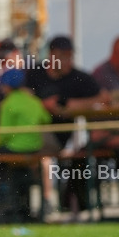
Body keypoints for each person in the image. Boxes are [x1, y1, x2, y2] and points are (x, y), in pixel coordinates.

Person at [25, 35, 101, 217]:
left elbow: (102, 98)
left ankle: (47, 203)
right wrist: (45, 106)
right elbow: (23, 98)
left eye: (70, 55)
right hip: (30, 131)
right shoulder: (35, 73)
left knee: (31, 149)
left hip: (57, 137)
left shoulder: (79, 78)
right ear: (51, 55)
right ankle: (31, 204)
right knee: (18, 150)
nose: (67, 60)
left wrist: (69, 106)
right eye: (63, 55)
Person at [0, 69, 53, 221]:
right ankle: (17, 202)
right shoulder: (33, 100)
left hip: (15, 148)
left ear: (7, 86)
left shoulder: (7, 103)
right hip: (34, 148)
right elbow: (46, 119)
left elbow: (4, 134)